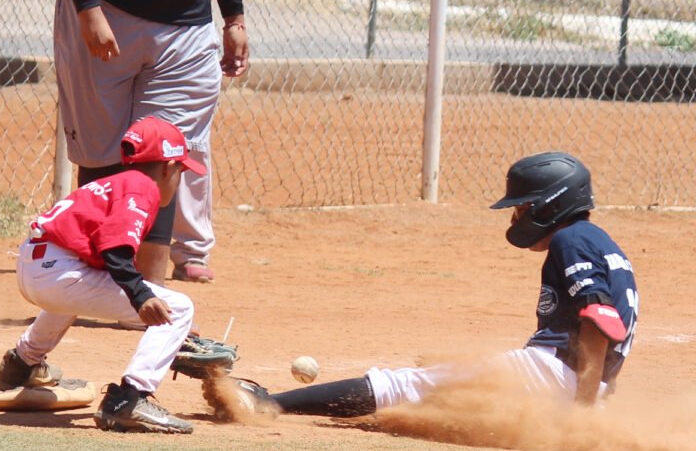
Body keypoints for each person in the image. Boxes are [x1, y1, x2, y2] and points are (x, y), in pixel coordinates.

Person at [218, 152, 640, 420]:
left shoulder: (571, 240)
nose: (517, 217)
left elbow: (598, 321)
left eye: (523, 207)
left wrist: (581, 410)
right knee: (452, 399)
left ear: (552, 205)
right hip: (580, 381)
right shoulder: (602, 244)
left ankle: (270, 403)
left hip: (556, 376)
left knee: (404, 385)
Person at [0, 116, 207, 434]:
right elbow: (115, 249)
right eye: (181, 171)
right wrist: (142, 296)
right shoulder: (142, 189)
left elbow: (103, 255)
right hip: (57, 272)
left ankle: (20, 364)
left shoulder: (116, 183)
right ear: (167, 167)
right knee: (180, 308)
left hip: (35, 266)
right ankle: (131, 398)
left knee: (80, 287)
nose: (179, 179)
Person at [54, 0, 249, 284]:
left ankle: (150, 294)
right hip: (107, 12)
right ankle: (97, 285)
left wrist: (234, 18)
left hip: (186, 29)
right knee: (101, 158)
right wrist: (88, 11)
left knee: (162, 156)